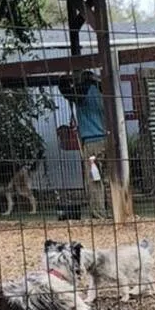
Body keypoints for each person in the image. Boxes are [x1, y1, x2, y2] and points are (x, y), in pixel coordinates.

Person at [59, 73, 109, 217]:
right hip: (107, 139)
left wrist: (64, 81)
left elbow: (66, 92)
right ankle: (113, 210)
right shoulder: (102, 91)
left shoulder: (82, 92)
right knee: (107, 178)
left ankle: (99, 213)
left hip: (92, 141)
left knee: (94, 179)